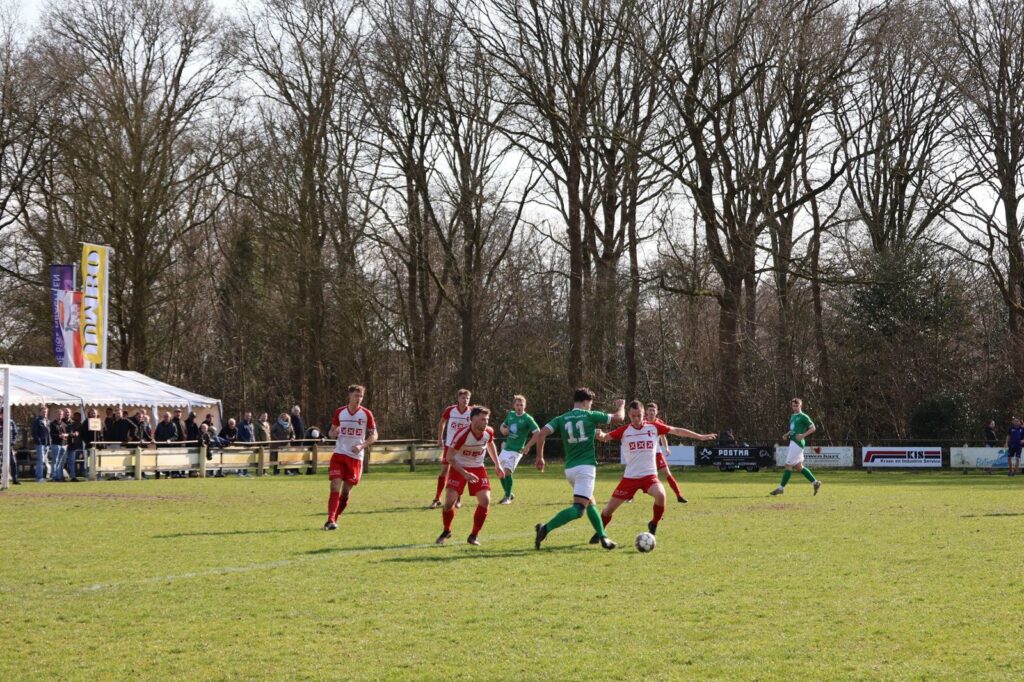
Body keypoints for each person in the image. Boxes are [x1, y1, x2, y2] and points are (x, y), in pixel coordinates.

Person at [596, 401, 715, 538]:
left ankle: (653, 524)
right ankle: (600, 533)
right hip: (630, 478)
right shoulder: (624, 430)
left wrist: (700, 436)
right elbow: (605, 437)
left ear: (643, 414)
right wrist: (600, 434)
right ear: (629, 415)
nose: (636, 419)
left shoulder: (653, 427)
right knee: (609, 510)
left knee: (661, 495)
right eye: (633, 416)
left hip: (649, 476)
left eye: (639, 415)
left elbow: (676, 430)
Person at [527, 388, 625, 550]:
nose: (590, 407)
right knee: (579, 509)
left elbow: (541, 434)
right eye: (590, 404)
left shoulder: (561, 418)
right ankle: (545, 528)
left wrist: (539, 457)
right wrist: (621, 405)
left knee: (590, 502)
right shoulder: (590, 415)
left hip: (570, 470)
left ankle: (603, 537)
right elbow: (619, 418)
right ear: (586, 402)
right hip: (585, 468)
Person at [436, 406, 503, 545]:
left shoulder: (488, 432)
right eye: (482, 419)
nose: (486, 422)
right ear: (473, 419)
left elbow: (490, 444)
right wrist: (464, 473)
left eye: (487, 419)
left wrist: (497, 464)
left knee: (485, 501)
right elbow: (449, 457)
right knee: (449, 502)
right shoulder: (462, 435)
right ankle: (446, 530)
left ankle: (473, 536)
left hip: (478, 467)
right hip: (459, 467)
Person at [324, 385, 378, 530]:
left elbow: (374, 435)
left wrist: (362, 445)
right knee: (335, 485)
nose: (358, 399)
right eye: (356, 396)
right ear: (349, 396)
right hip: (339, 454)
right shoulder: (340, 412)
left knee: (346, 492)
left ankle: (334, 519)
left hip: (355, 458)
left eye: (361, 396)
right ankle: (330, 520)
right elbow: (331, 432)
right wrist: (333, 433)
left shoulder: (366, 414)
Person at [432, 388, 473, 509]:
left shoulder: (472, 411)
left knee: (460, 471)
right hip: (449, 445)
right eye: (463, 398)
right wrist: (440, 438)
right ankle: (437, 498)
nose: (465, 400)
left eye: (467, 398)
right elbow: (442, 423)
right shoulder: (450, 410)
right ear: (458, 398)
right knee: (444, 470)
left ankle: (458, 499)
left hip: (463, 447)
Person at [771, 398, 821, 496]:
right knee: (799, 466)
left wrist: (803, 435)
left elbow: (813, 428)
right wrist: (787, 434)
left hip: (797, 443)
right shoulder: (793, 416)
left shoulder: (803, 416)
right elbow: (792, 430)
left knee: (788, 465)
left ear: (800, 406)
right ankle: (815, 483)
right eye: (793, 406)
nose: (794, 408)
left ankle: (781, 488)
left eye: (796, 406)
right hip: (793, 442)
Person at [496, 395, 539, 505]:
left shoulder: (528, 418)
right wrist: (503, 430)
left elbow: (538, 433)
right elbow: (503, 425)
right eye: (517, 405)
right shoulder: (510, 414)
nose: (519, 407)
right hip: (506, 448)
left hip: (517, 451)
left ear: (525, 406)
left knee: (507, 471)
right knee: (499, 471)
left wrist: (528, 446)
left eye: (521, 405)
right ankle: (509, 493)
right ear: (514, 406)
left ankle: (507, 498)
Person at [644, 402, 688, 503]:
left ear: (656, 412)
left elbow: (663, 437)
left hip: (657, 453)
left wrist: (666, 448)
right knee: (636, 474)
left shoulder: (659, 423)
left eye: (653, 410)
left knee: (667, 473)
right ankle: (629, 496)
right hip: (645, 453)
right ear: (646, 412)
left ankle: (679, 496)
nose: (651, 412)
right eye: (650, 410)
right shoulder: (642, 422)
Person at [32, 406, 52, 482]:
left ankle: (42, 476)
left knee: (44, 460)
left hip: (46, 443)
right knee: (40, 460)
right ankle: (39, 477)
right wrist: (38, 441)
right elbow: (34, 432)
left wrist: (49, 442)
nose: (45, 413)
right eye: (43, 412)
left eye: (46, 412)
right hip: (40, 443)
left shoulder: (48, 421)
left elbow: (49, 433)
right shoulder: (37, 421)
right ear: (40, 412)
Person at [1, 407, 20, 484]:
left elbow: (15, 433)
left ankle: (15, 479)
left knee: (13, 462)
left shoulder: (11, 422)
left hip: (9, 445)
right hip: (1, 445)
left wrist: (13, 442)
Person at [50, 408, 69, 482]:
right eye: (58, 414)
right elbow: (51, 435)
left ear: (63, 415)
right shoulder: (52, 424)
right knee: (55, 461)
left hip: (64, 444)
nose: (59, 416)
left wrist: (66, 435)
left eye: (61, 414)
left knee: (61, 462)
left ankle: (60, 476)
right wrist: (59, 436)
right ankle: (54, 477)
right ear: (55, 415)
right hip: (56, 444)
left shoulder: (64, 424)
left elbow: (67, 433)